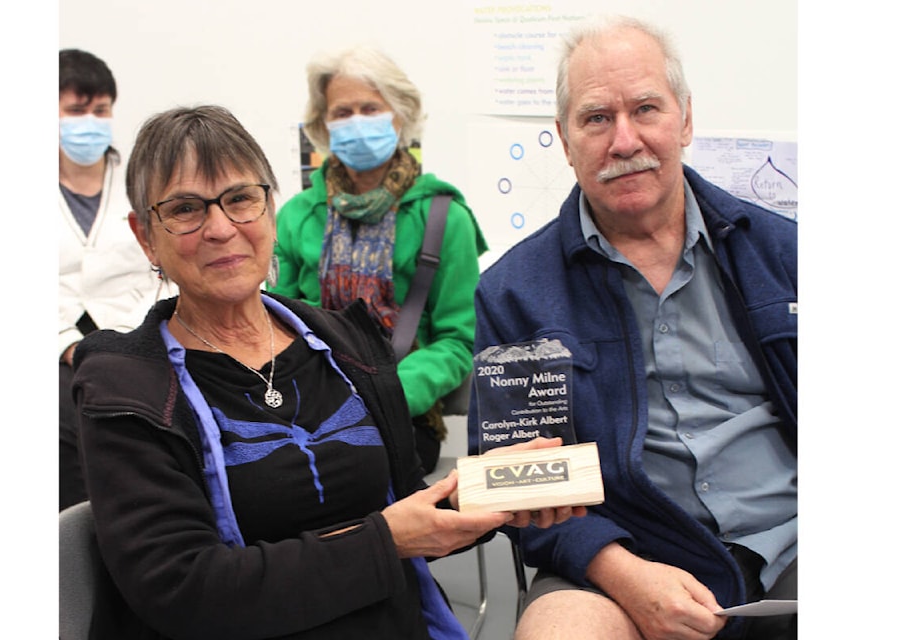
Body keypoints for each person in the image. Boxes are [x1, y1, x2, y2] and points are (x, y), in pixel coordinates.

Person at [71, 104, 584, 640]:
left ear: (271, 207)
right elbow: (186, 590)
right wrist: (386, 540)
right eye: (185, 209)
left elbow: (404, 506)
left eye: (241, 199)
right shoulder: (126, 388)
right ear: (145, 235)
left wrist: (493, 490)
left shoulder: (346, 345)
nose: (221, 228)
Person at [468, 16, 797, 640]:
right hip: (621, 555)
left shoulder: (786, 257)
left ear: (686, 120)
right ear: (565, 142)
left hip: (793, 541)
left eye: (646, 108)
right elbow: (510, 479)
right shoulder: (514, 293)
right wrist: (620, 572)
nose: (624, 141)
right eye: (596, 118)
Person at [271, 45, 486, 473]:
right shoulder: (295, 217)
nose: (356, 122)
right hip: (309, 411)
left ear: (400, 115)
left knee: (338, 476)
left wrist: (386, 394)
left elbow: (458, 340)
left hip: (402, 415)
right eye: (343, 112)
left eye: (370, 108)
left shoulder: (444, 215)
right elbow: (276, 328)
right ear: (323, 125)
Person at [58, 48, 162, 511]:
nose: (90, 122)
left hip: (138, 338)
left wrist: (137, 338)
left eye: (100, 110)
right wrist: (64, 343)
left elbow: (164, 266)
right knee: (71, 423)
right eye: (76, 111)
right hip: (60, 353)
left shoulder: (140, 182)